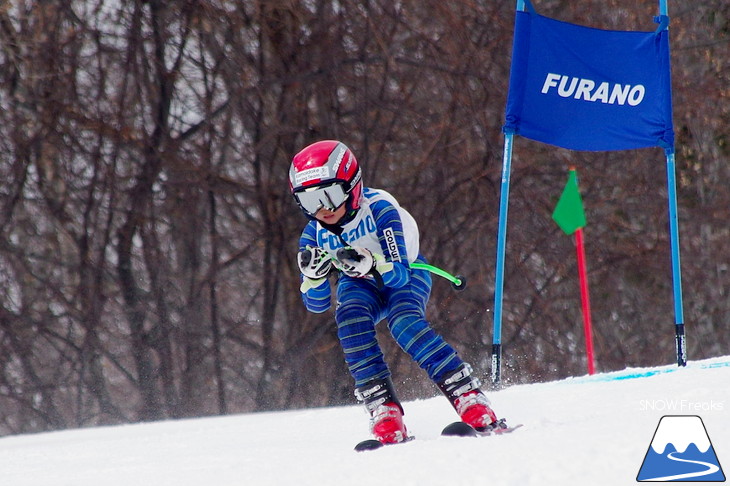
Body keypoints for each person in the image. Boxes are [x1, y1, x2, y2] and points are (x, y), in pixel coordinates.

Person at [289, 140, 499, 444]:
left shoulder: (380, 209)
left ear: (352, 186)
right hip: (359, 281)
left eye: (330, 196)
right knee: (348, 317)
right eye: (310, 202)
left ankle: (468, 395)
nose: (323, 209)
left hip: (407, 271)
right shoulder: (313, 234)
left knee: (403, 322)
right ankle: (383, 408)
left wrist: (372, 261)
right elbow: (317, 305)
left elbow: (399, 275)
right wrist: (312, 278)